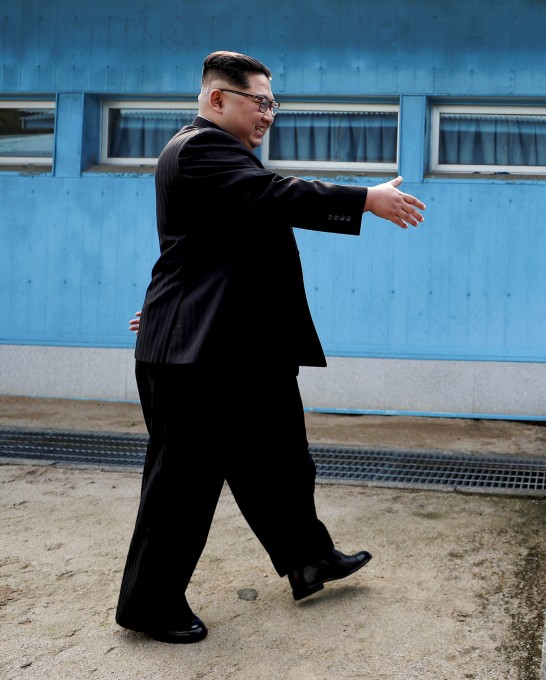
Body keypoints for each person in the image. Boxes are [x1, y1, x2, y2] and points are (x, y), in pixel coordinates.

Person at [116, 50, 426, 644]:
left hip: (236, 347)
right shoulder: (201, 147)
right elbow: (279, 194)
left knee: (281, 463)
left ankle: (310, 560)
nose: (268, 115)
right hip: (197, 361)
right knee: (182, 485)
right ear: (217, 100)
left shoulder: (226, 160)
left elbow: (210, 253)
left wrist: (170, 307)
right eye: (259, 102)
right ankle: (149, 604)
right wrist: (364, 198)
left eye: (272, 104)